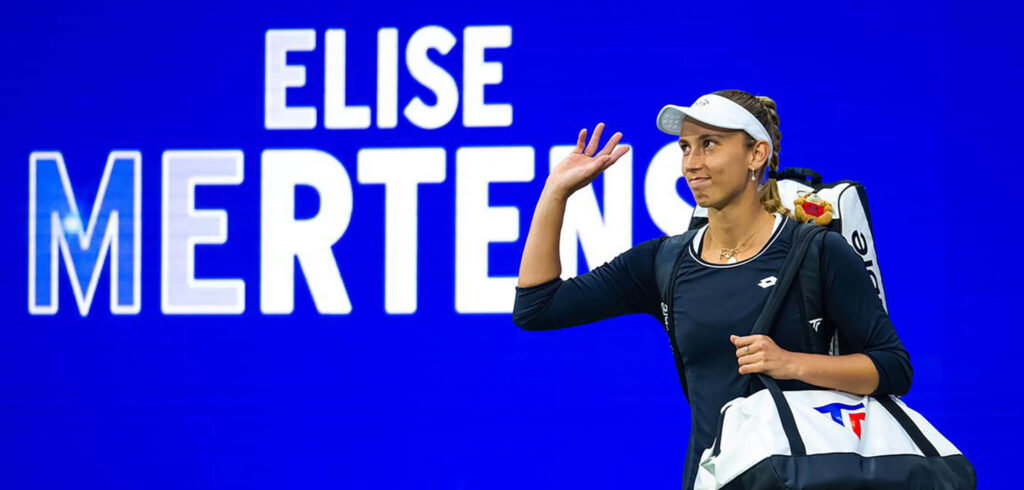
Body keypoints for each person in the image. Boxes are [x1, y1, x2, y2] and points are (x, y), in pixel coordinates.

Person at [511, 89, 913, 490]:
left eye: (709, 145)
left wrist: (791, 364)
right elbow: (537, 306)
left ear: (756, 155)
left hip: (806, 479)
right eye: (685, 147)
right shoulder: (665, 261)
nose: (692, 163)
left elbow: (893, 368)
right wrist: (556, 192)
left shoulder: (819, 252)